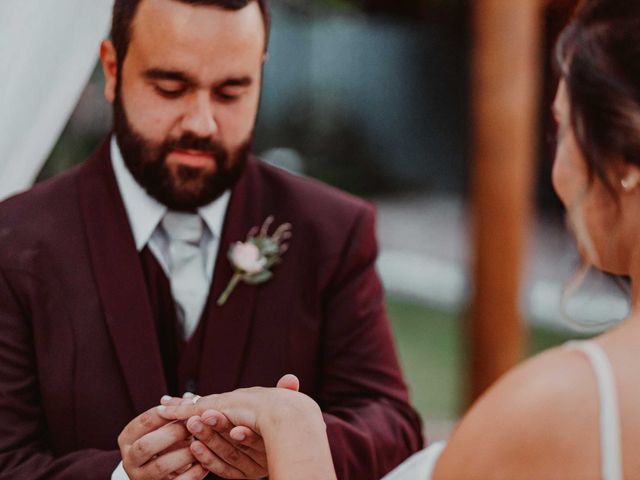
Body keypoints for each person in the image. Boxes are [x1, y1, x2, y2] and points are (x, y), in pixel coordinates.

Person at [158, 0, 640, 478]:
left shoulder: (561, 405)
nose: (557, 168)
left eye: (560, 130)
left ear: (625, 167)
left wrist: (294, 429)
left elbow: (387, 417)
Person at [0, 0, 424, 478]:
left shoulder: (332, 231)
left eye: (230, 92)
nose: (201, 124)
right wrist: (121, 476)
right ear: (113, 69)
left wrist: (286, 443)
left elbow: (392, 423)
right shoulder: (13, 241)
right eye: (170, 88)